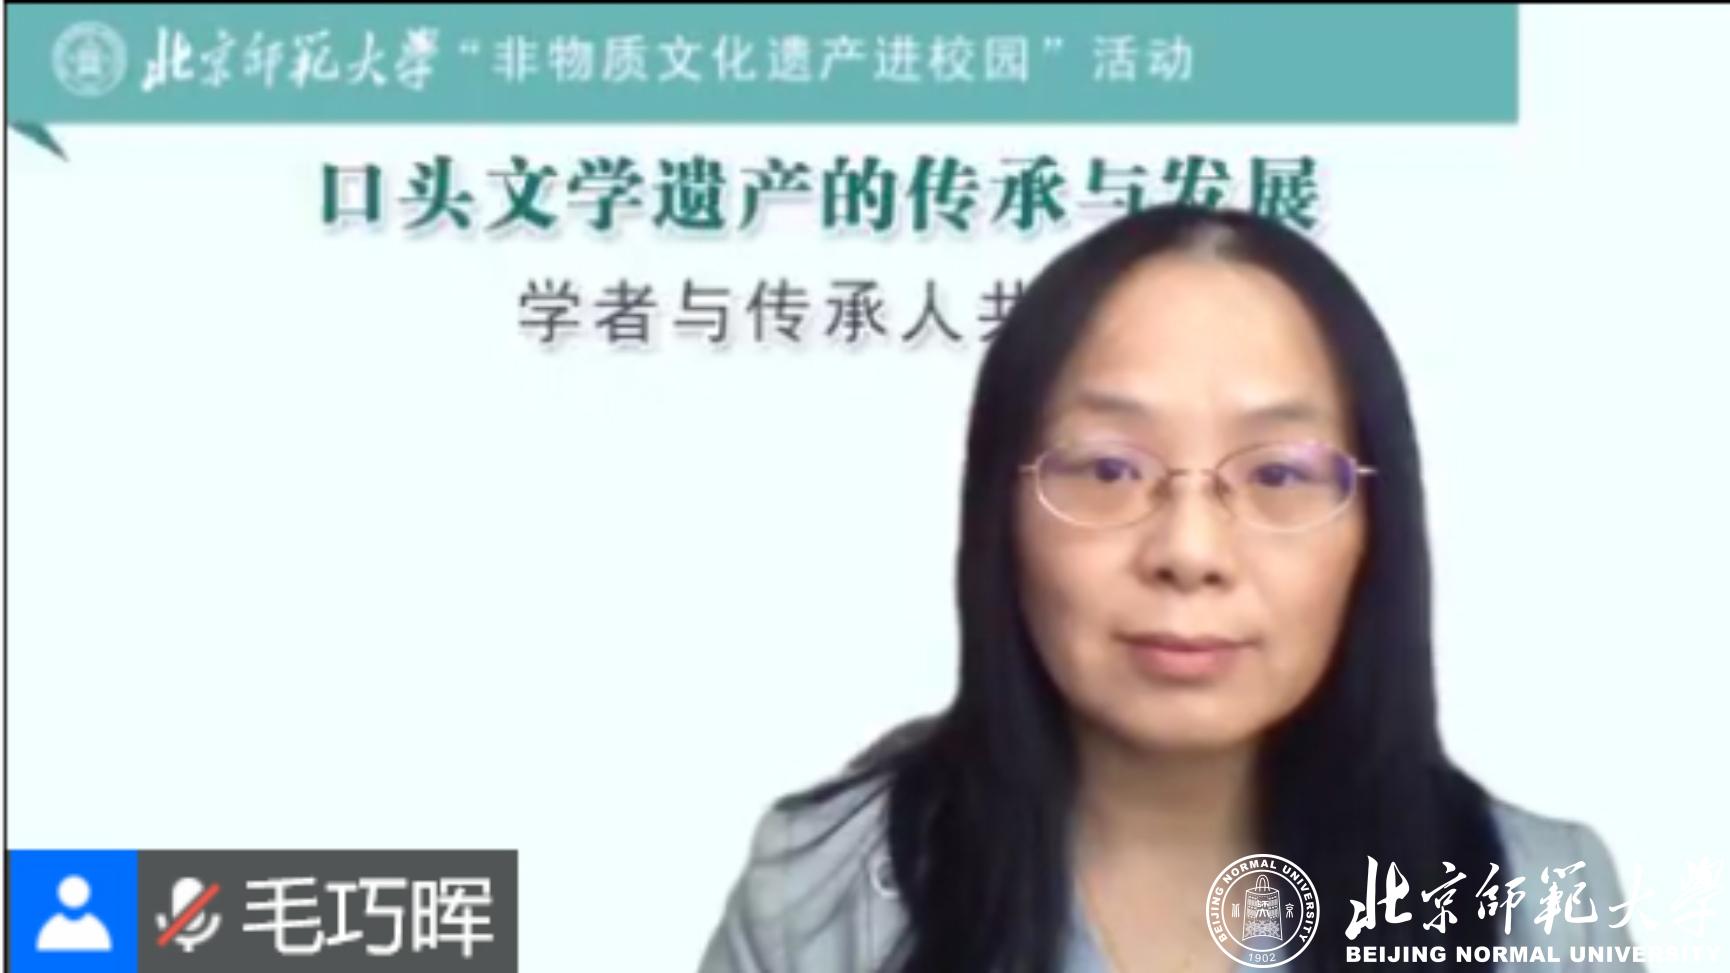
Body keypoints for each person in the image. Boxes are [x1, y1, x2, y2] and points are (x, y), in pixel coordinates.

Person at [696, 205, 1641, 973]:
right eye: (1110, 468)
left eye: (1277, 474)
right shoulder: (826, 892)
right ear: (999, 511)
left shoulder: (1536, 902)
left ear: (1374, 529)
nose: (1190, 550)